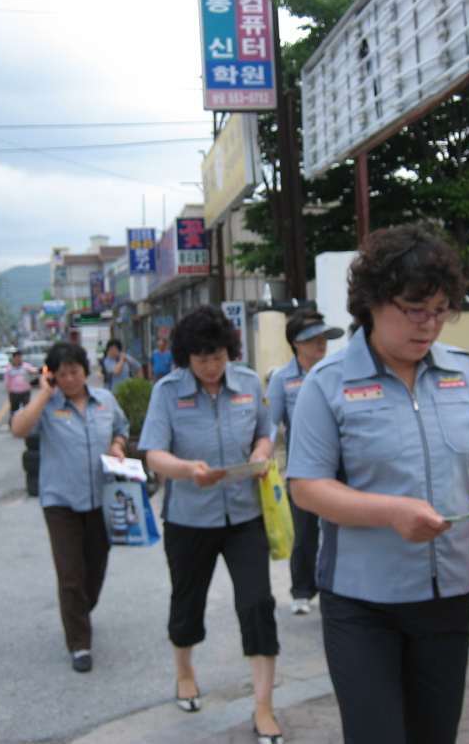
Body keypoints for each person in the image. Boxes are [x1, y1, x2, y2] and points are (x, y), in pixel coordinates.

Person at [286, 222, 469, 744]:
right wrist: (391, 512)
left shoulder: (462, 374)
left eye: (440, 310)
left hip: (448, 600)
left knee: (435, 735)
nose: (429, 325)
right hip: (361, 603)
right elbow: (306, 486)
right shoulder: (327, 385)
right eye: (414, 310)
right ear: (373, 302)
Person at [139, 305, 283, 744]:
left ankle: (263, 706)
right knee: (188, 602)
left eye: (218, 356)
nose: (211, 366)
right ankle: (184, 671)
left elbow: (265, 430)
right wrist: (186, 470)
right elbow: (153, 453)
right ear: (187, 356)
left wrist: (261, 454)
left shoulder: (248, 382)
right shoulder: (167, 391)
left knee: (257, 604)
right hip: (189, 519)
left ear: (229, 350)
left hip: (244, 516)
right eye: (201, 358)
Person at [11, 341, 130, 673]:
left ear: (86, 370)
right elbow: (19, 428)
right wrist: (43, 394)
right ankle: (79, 642)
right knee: (69, 573)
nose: (69, 379)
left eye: (74, 372)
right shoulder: (47, 406)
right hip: (60, 502)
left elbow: (121, 429)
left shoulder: (105, 401)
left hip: (100, 500)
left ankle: (80, 611)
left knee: (95, 570)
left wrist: (117, 446)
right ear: (52, 376)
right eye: (61, 374)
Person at [266, 308, 344, 616]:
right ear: (296, 344)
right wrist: (263, 461)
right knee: (305, 532)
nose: (320, 343)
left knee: (340, 529)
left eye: (324, 336)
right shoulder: (282, 379)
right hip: (303, 470)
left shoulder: (338, 372)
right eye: (312, 338)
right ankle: (301, 590)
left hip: (341, 466)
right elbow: (270, 426)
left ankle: (336, 586)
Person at [4, 350, 37, 416]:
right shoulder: (9, 368)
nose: (18, 360)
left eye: (20, 358)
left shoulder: (26, 366)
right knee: (14, 410)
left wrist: (31, 372)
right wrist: (9, 392)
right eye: (17, 358)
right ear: (13, 359)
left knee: (27, 409)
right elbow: (7, 381)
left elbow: (35, 372)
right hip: (15, 392)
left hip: (25, 391)